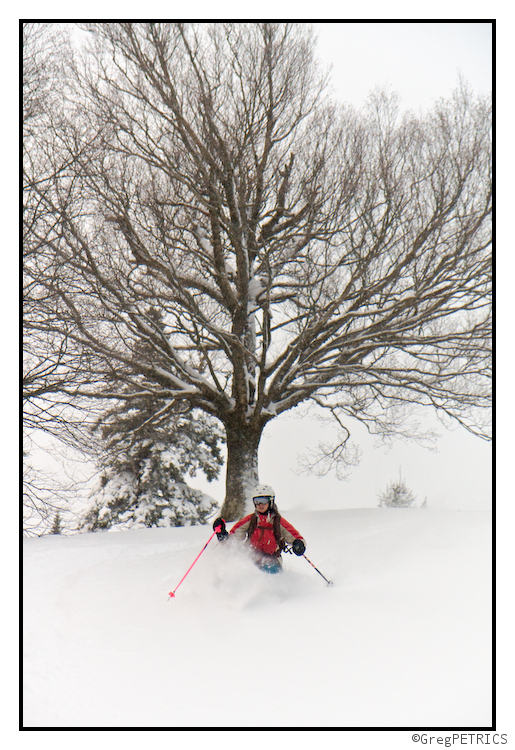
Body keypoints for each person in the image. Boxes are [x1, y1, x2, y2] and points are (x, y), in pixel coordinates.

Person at [212, 484, 306, 574]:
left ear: (271, 501)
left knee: (268, 569)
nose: (260, 505)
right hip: (251, 557)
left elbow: (296, 538)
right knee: (238, 569)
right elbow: (233, 540)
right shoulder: (251, 520)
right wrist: (222, 534)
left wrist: (299, 545)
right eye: (257, 501)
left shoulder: (278, 522)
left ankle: (270, 589)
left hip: (272, 560)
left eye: (264, 501)